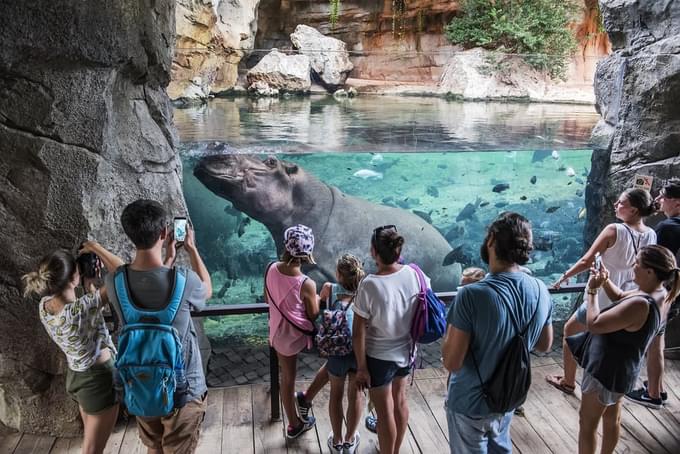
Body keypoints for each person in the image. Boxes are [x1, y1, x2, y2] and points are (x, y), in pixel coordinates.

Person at [105, 199, 212, 454]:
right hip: (184, 388)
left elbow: (148, 284)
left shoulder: (115, 281)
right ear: (164, 233)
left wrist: (168, 261)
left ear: (129, 234)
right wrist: (192, 250)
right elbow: (206, 289)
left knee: (154, 446)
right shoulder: (185, 281)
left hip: (141, 384)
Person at [442, 212, 553, 453]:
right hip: (507, 397)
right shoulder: (540, 289)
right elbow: (545, 344)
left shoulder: (471, 295)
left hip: (469, 404)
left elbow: (451, 361)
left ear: (491, 240)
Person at [569, 245, 680, 454]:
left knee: (587, 424)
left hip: (605, 370)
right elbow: (621, 297)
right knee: (612, 418)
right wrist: (605, 280)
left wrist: (592, 290)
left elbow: (594, 323)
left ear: (650, 272)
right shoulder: (659, 292)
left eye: (637, 263)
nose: (632, 266)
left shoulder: (640, 305)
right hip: (625, 369)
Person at [547, 188, 657, 394]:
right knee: (610, 340)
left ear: (633, 210)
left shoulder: (614, 230)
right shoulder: (651, 234)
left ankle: (569, 381)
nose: (616, 204)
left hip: (603, 295)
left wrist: (565, 276)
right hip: (629, 300)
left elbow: (587, 260)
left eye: (621, 202)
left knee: (570, 331)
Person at [22, 241, 124, 454]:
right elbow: (123, 273)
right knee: (91, 449)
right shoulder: (81, 308)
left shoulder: (45, 306)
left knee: (91, 442)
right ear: (72, 279)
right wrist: (95, 247)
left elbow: (83, 314)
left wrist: (88, 284)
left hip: (78, 377)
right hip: (98, 380)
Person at [353, 225, 424, 454]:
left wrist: (362, 368)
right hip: (406, 352)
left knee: (384, 414)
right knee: (400, 403)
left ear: (374, 252)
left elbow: (358, 332)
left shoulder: (370, 283)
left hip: (379, 357)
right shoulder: (414, 273)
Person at [626, 179, 680, 408]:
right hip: (673, 292)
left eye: (662, 197)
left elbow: (650, 258)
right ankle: (658, 388)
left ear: (676, 202)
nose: (658, 201)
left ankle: (653, 394)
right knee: (659, 339)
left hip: (661, 293)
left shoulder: (667, 228)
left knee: (653, 342)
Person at [265, 224, 320, 439]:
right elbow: (313, 314)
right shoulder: (306, 283)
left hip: (277, 333)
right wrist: (317, 298)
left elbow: (268, 298)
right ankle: (294, 424)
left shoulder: (270, 268)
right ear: (308, 253)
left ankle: (295, 419)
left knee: (286, 376)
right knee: (288, 379)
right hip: (293, 337)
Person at [315, 254, 365, 454]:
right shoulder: (364, 292)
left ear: (338, 273)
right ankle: (350, 440)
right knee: (356, 396)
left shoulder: (329, 288)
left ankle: (336, 441)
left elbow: (316, 306)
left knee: (335, 396)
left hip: (336, 351)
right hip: (358, 352)